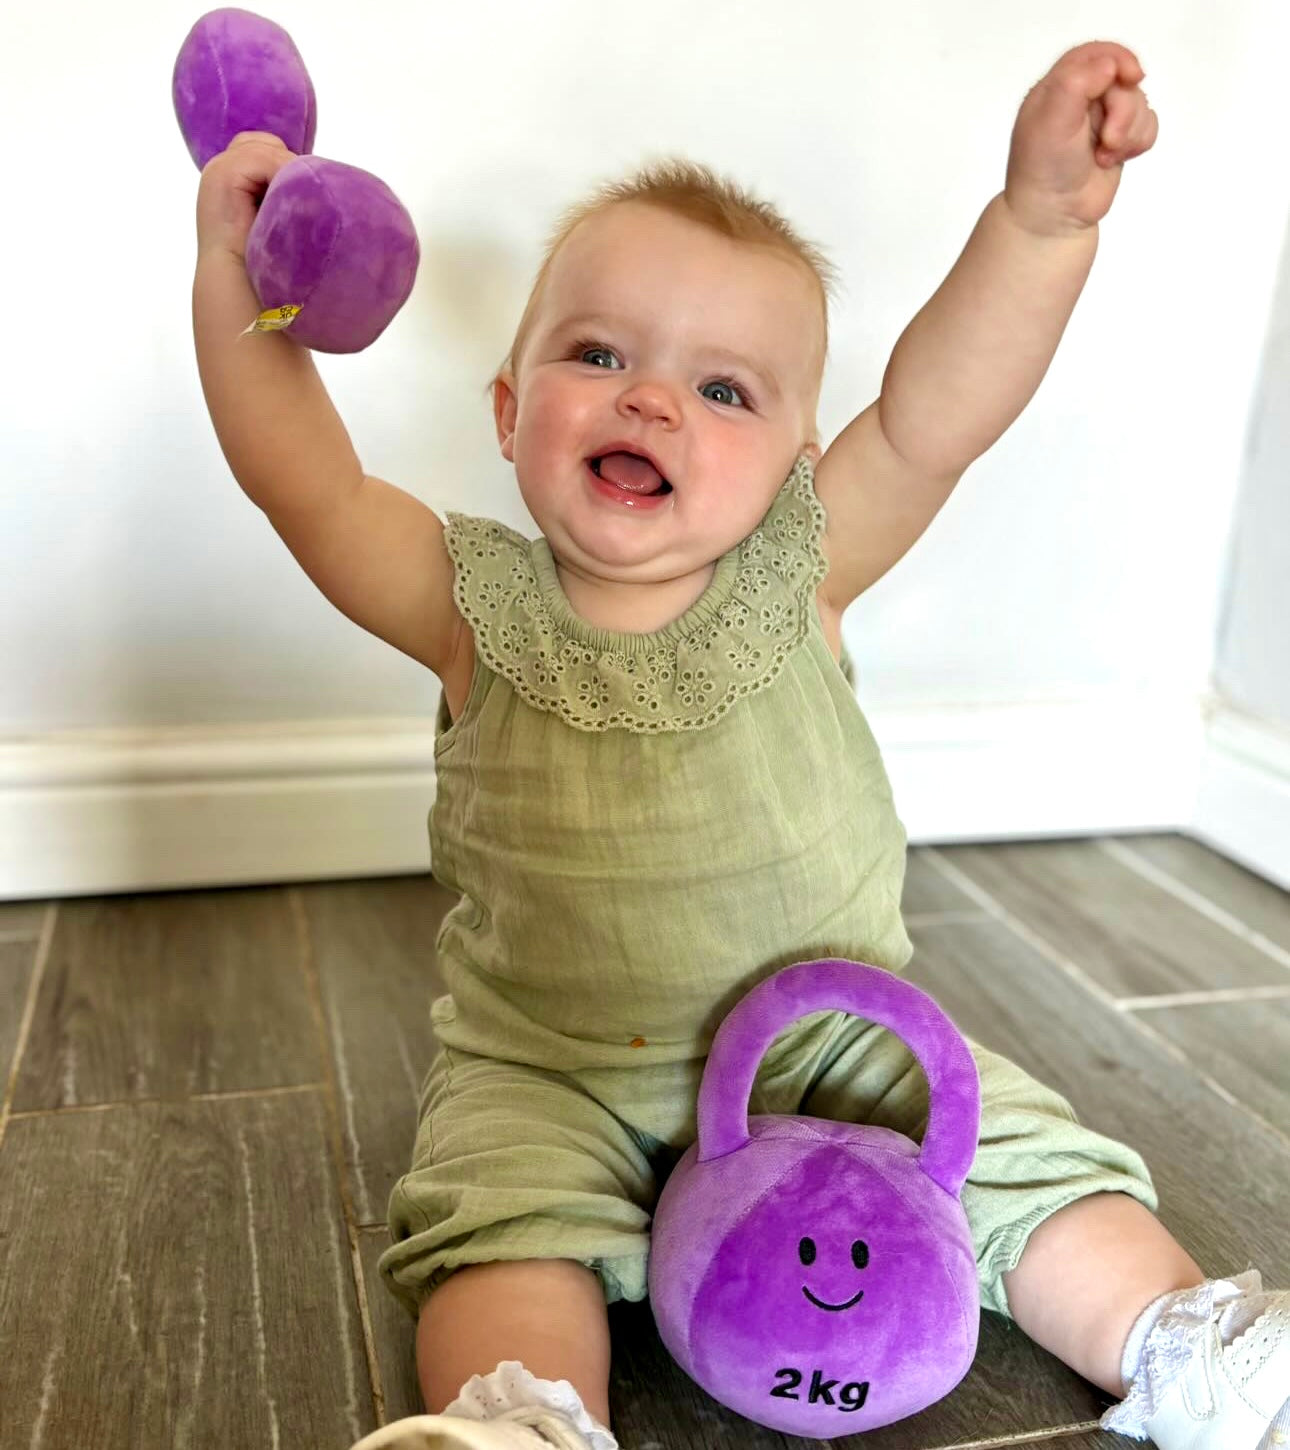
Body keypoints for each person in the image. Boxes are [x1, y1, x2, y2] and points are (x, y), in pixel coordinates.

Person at [191, 37, 1289, 1450]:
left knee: (1020, 1152)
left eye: (724, 390)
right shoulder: (464, 602)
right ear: (510, 411)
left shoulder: (801, 573)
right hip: (552, 1067)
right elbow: (304, 483)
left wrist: (1038, 223)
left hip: (830, 1040)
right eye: (598, 355)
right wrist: (237, 281)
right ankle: (519, 1420)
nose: (650, 398)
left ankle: (1183, 1343)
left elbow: (936, 417)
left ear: (793, 467)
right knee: (496, 1222)